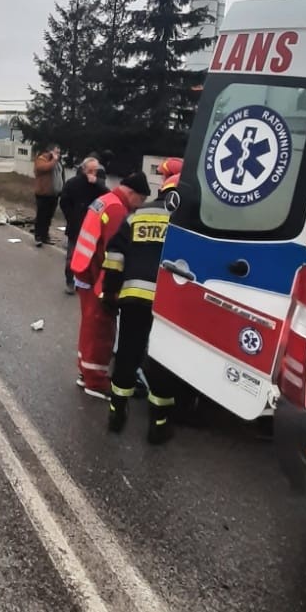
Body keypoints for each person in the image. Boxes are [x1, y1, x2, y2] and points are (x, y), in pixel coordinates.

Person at [101, 158, 184, 443]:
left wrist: (111, 292)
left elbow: (114, 254)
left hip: (133, 297)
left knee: (126, 354)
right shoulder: (182, 222)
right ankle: (158, 425)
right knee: (161, 361)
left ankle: (116, 413)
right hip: (166, 304)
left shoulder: (137, 215)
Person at [70, 170, 150, 397]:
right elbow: (113, 255)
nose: (139, 206)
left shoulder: (104, 200)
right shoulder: (117, 210)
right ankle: (95, 382)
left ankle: (85, 372)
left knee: (89, 328)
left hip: (84, 271)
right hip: (97, 278)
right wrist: (110, 291)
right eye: (141, 200)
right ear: (132, 193)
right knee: (101, 331)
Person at [60, 155, 105, 293]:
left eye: (95, 171)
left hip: (93, 229)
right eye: (90, 171)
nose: (92, 174)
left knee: (92, 258)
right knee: (72, 256)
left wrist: (97, 182)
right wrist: (71, 218)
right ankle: (70, 281)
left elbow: (108, 196)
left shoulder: (98, 185)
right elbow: (64, 202)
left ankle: (86, 281)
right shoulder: (73, 183)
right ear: (84, 170)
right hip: (76, 226)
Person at [33, 144, 63, 246]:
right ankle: (38, 236)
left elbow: (60, 176)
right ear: (50, 151)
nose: (58, 155)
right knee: (41, 216)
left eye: (59, 152)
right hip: (43, 193)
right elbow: (44, 168)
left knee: (49, 217)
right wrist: (54, 160)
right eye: (56, 152)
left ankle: (45, 236)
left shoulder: (58, 163)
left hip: (54, 194)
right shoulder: (41, 159)